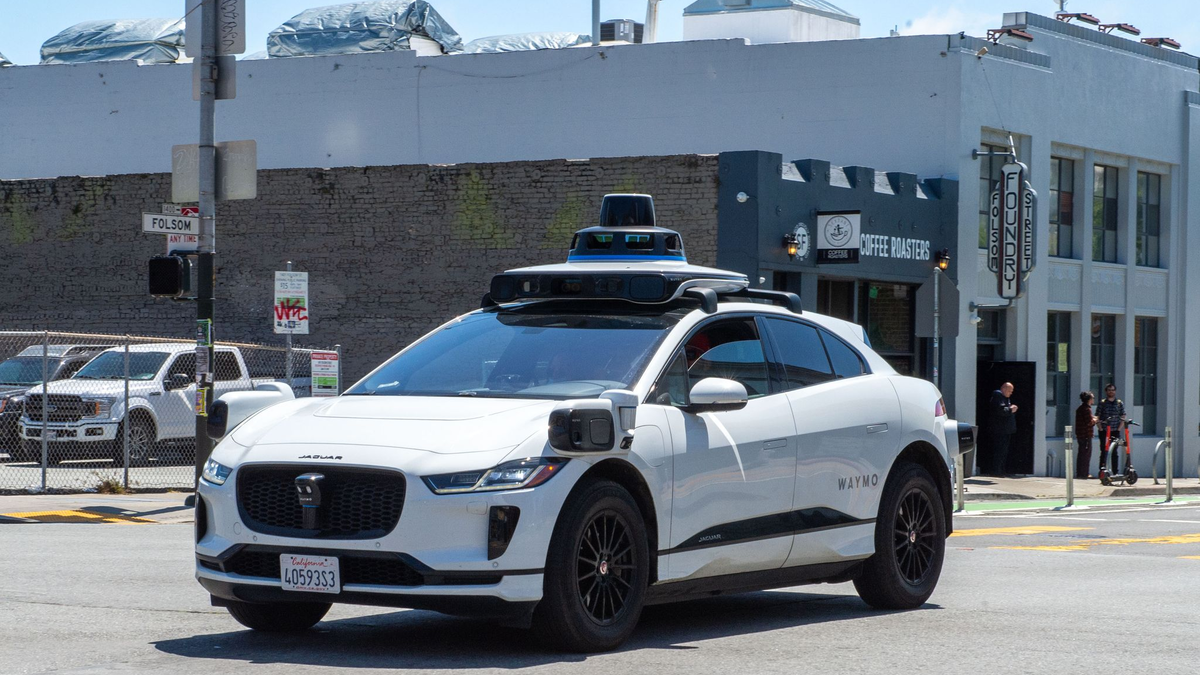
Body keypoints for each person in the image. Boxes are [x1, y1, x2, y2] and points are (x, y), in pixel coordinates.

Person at [1096, 383, 1127, 476]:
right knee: (1104, 451)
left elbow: (1123, 415)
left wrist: (1119, 429)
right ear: (1106, 391)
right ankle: (1102, 471)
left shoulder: (1119, 403)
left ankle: (1115, 472)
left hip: (1115, 431)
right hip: (1104, 431)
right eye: (1109, 390)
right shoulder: (1102, 403)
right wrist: (1100, 428)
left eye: (1113, 390)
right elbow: (1097, 416)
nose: (1111, 391)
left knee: (1114, 452)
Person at [987, 382, 1018, 475]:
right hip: (1000, 430)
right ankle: (997, 471)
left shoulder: (1005, 398)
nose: (1011, 393)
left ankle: (1001, 470)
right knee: (999, 451)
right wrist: (1011, 409)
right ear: (1003, 389)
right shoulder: (998, 397)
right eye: (1009, 391)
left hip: (1006, 430)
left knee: (1004, 451)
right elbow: (1000, 411)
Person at [1073, 391, 1098, 479]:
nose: (1093, 400)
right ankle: (1084, 473)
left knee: (1081, 454)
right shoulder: (1087, 409)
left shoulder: (1080, 408)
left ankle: (1080, 472)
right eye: (1092, 398)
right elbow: (1089, 422)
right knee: (1086, 455)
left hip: (1081, 435)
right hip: (1086, 435)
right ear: (1089, 399)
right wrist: (1095, 420)